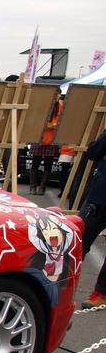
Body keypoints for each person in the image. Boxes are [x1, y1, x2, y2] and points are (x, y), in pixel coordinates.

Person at [79, 130, 106, 309]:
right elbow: (93, 153)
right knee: (78, 240)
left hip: (99, 196)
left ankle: (102, 292)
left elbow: (94, 153)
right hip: (99, 197)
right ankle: (58, 283)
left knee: (79, 240)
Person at [28, 97, 62, 195]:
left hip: (51, 140)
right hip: (39, 138)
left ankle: (42, 188)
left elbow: (61, 121)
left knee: (48, 165)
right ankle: (32, 187)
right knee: (35, 163)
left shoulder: (61, 105)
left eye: (58, 95)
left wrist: (53, 125)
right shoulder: (43, 103)